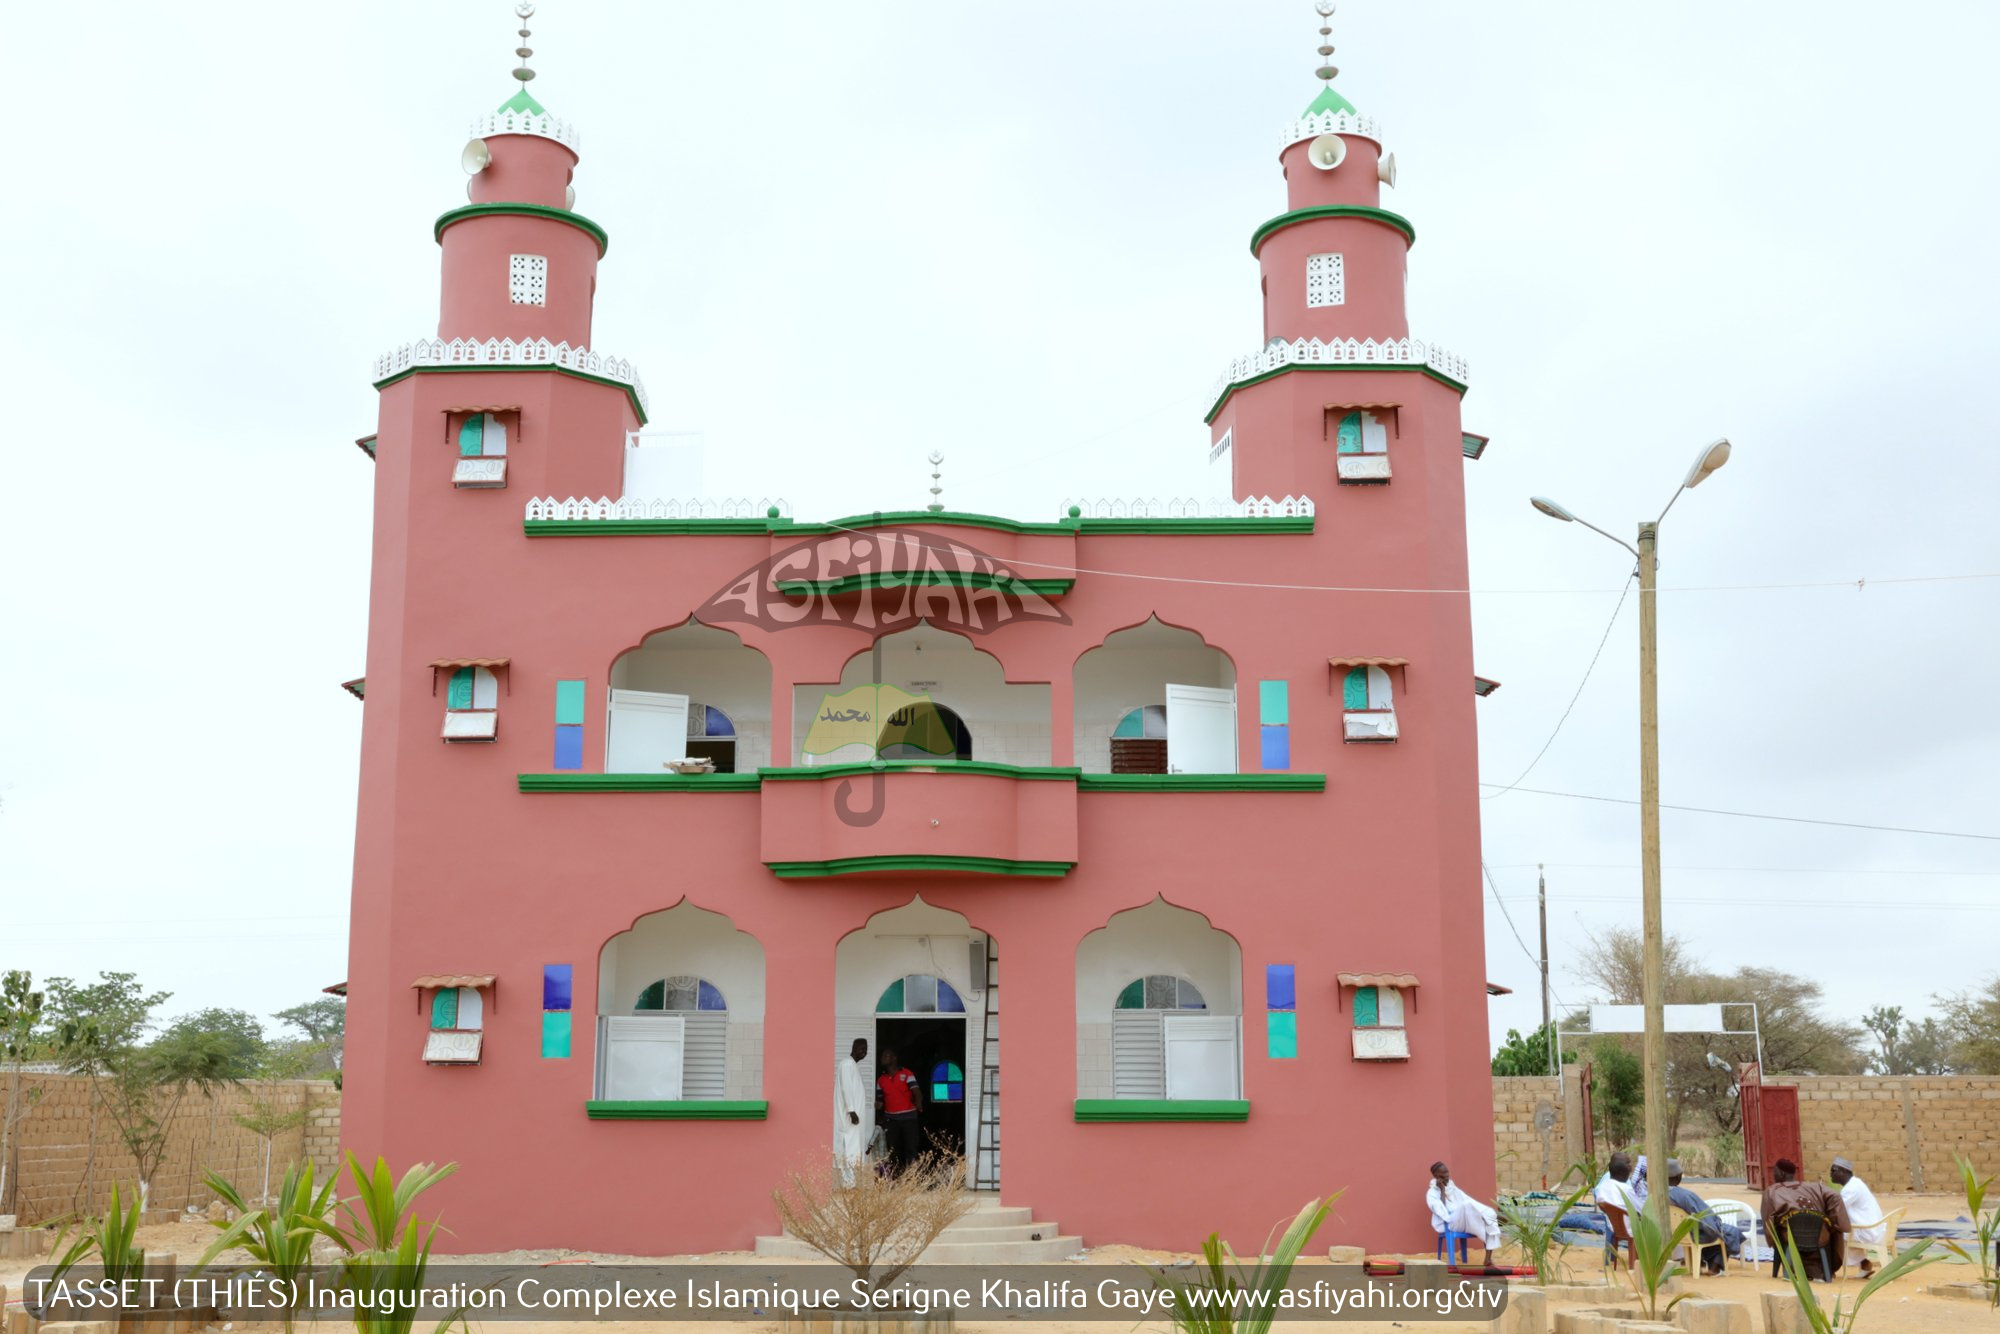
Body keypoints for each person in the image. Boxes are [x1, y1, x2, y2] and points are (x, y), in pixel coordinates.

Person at [1761, 1157, 1851, 1281]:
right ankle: (1822, 1269)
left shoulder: (1772, 1191)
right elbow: (1835, 1196)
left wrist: (1772, 1239)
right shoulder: (1816, 1187)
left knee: (1780, 1230)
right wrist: (1835, 1222)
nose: (1773, 1176)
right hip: (1820, 1238)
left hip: (1791, 1238)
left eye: (1774, 1172)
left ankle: (1794, 1268)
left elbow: (1768, 1221)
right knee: (1833, 1230)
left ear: (1781, 1173)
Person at [1664, 1158, 1743, 1275]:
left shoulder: (1661, 1194)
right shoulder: (1685, 1195)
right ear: (1678, 1177)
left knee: (1723, 1232)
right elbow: (1705, 1218)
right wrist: (1717, 1229)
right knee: (1731, 1232)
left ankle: (1705, 1262)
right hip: (1696, 1233)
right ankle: (1715, 1267)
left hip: (1679, 1234)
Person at [1425, 1162, 1502, 1257]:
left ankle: (1488, 1259)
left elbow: (1469, 1200)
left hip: (1463, 1221)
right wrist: (1442, 1190)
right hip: (1448, 1224)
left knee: (1486, 1219)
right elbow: (1442, 1211)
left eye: (1447, 1172)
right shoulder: (1431, 1193)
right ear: (1436, 1176)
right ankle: (1487, 1214)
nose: (1447, 1175)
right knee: (1466, 1205)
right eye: (1443, 1173)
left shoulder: (1453, 1188)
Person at [1830, 1157, 1887, 1277]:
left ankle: (1829, 1268)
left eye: (1833, 1171)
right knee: (1841, 1230)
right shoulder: (1855, 1184)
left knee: (1831, 1233)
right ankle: (1864, 1263)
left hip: (1868, 1231)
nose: (1831, 1174)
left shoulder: (1851, 1188)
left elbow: (1835, 1208)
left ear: (1843, 1171)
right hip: (1872, 1228)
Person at [876, 1046, 925, 1176]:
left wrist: (919, 1103)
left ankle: (911, 1178)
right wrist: (879, 1113)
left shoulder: (907, 1074)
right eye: (882, 1056)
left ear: (894, 1058)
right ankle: (894, 1178)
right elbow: (879, 1100)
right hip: (891, 1120)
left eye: (886, 1056)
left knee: (911, 1148)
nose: (883, 1058)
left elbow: (917, 1092)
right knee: (892, 1150)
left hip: (909, 1118)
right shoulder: (881, 1080)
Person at [833, 1037, 871, 1186]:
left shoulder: (852, 1065)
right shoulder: (847, 1064)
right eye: (862, 1048)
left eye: (866, 1049)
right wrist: (851, 1111)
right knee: (849, 1149)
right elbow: (846, 1088)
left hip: (853, 1119)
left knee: (853, 1149)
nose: (864, 1051)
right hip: (849, 1119)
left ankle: (851, 1184)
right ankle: (848, 1185)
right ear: (854, 1048)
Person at [1594, 1152, 1641, 1264]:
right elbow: (1641, 1209)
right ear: (1626, 1173)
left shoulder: (1603, 1186)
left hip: (1613, 1226)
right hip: (1631, 1228)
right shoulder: (1626, 1189)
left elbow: (1600, 1203)